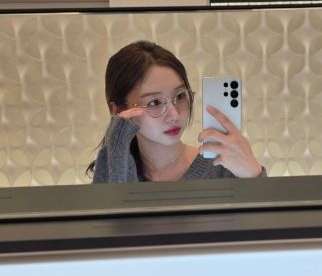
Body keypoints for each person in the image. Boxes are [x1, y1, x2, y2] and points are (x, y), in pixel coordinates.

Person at [88, 40, 265, 183]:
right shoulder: (113, 168)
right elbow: (116, 216)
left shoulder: (223, 165)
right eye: (154, 102)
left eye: (180, 96)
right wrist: (117, 146)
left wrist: (254, 174)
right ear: (118, 110)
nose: (174, 115)